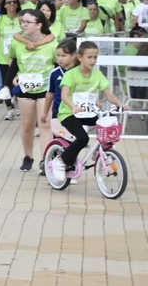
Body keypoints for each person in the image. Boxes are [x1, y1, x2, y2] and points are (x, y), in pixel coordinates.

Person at [52, 41, 123, 184]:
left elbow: (108, 94)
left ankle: (100, 150)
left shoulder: (97, 75)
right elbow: (64, 95)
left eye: (95, 57)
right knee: (83, 138)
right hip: (69, 113)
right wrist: (73, 106)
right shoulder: (71, 74)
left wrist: (120, 104)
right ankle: (60, 161)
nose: (92, 60)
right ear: (79, 57)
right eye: (89, 57)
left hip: (88, 113)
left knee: (108, 122)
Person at [10, 10, 57, 171]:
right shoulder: (17, 42)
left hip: (45, 89)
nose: (23, 24)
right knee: (27, 125)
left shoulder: (52, 44)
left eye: (27, 22)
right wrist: (13, 78)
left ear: (39, 25)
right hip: (25, 88)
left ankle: (46, 159)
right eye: (22, 21)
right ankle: (28, 156)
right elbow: (14, 61)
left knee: (45, 124)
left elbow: (59, 65)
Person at [0, 0, 23, 120]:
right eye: (9, 2)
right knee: (6, 83)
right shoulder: (0, 19)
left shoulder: (22, 19)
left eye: (14, 2)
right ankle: (9, 108)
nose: (12, 4)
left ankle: (17, 101)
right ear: (4, 5)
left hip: (20, 57)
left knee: (19, 82)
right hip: (3, 56)